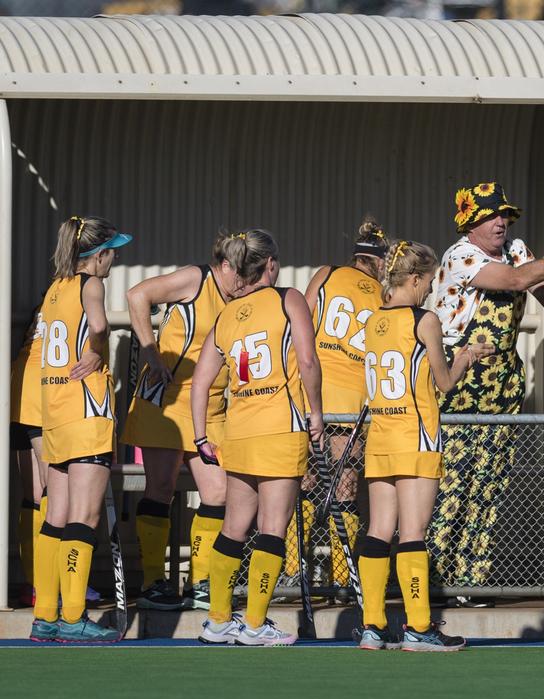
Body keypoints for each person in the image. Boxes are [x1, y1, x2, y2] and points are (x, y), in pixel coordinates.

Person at [429, 181, 544, 589]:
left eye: (503, 215)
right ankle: (435, 579)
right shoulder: (461, 255)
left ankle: (471, 580)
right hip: (461, 378)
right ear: (469, 224)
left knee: (489, 482)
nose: (500, 223)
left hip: (503, 383)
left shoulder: (516, 250)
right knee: (453, 481)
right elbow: (513, 282)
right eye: (490, 217)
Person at [356, 241, 493, 651]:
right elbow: (444, 382)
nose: (431, 291)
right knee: (413, 532)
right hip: (415, 434)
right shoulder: (425, 319)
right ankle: (418, 627)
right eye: (429, 281)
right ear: (414, 279)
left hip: (380, 434)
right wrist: (466, 356)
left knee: (379, 531)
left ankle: (373, 626)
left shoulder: (373, 320)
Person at [190, 229, 323, 647]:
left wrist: (200, 436)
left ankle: (216, 620)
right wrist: (316, 413)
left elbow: (200, 383)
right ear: (270, 265)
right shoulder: (288, 299)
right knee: (271, 528)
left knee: (233, 527)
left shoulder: (225, 315)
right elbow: (307, 359)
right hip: (280, 428)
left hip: (239, 430)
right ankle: (254, 623)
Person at [121, 238, 240, 611]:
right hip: (166, 401)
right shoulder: (195, 278)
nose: (244, 280)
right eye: (240, 271)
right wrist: (151, 351)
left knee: (218, 492)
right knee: (160, 486)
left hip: (207, 407)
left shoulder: (242, 299)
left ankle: (201, 581)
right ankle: (154, 582)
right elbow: (137, 295)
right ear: (223, 265)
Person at [30, 215, 133, 643]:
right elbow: (100, 324)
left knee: (55, 516)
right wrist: (95, 352)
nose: (113, 261)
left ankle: (44, 616)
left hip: (54, 410)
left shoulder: (55, 288)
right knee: (84, 517)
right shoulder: (91, 284)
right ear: (99, 254)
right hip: (86, 409)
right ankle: (73, 617)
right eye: (112, 252)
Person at [291, 219, 388, 589]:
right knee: (345, 486)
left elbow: (302, 320)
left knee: (304, 480)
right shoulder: (382, 293)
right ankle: (343, 578)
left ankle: (290, 570)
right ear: (379, 262)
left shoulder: (327, 274)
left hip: (311, 390)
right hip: (352, 397)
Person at [11, 307, 46, 606]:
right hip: (43, 393)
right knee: (51, 492)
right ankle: (48, 583)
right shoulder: (78, 298)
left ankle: (34, 583)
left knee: (33, 495)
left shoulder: (46, 304)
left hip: (19, 390)